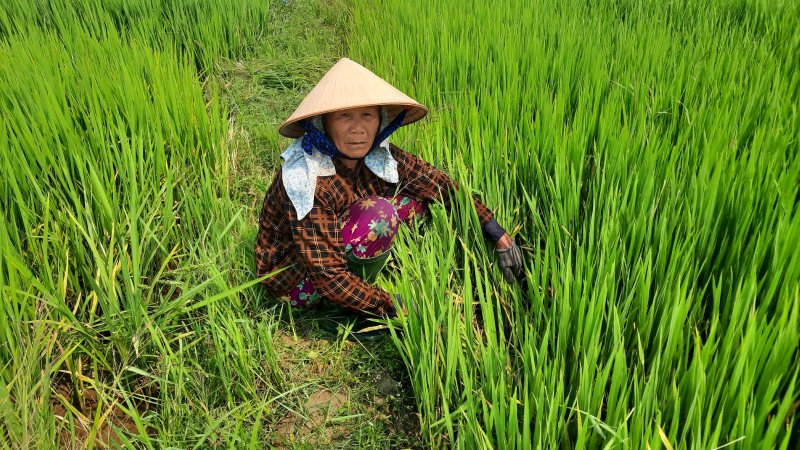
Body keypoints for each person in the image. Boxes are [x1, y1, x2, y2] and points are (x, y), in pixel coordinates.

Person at [254, 58, 522, 318]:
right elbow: (328, 276)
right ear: (322, 123)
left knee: (416, 202)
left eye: (367, 116)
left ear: (380, 122)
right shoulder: (308, 177)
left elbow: (436, 183)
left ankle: (375, 271)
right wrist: (393, 304)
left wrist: (496, 233)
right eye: (345, 116)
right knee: (381, 213)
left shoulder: (376, 155)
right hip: (297, 283)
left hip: (335, 242)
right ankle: (345, 308)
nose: (358, 129)